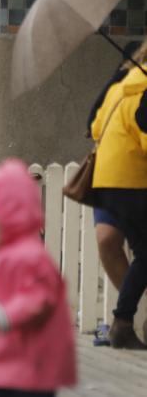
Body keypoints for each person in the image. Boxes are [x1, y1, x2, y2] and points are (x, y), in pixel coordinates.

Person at [0, 159, 76, 396]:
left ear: (10, 214)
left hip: (30, 365)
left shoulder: (28, 256)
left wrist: (6, 315)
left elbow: (38, 296)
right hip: (9, 360)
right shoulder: (2, 255)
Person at [91, 42, 147, 349]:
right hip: (132, 181)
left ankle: (124, 322)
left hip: (104, 181)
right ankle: (122, 323)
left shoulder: (119, 85)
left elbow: (96, 127)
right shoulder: (145, 89)